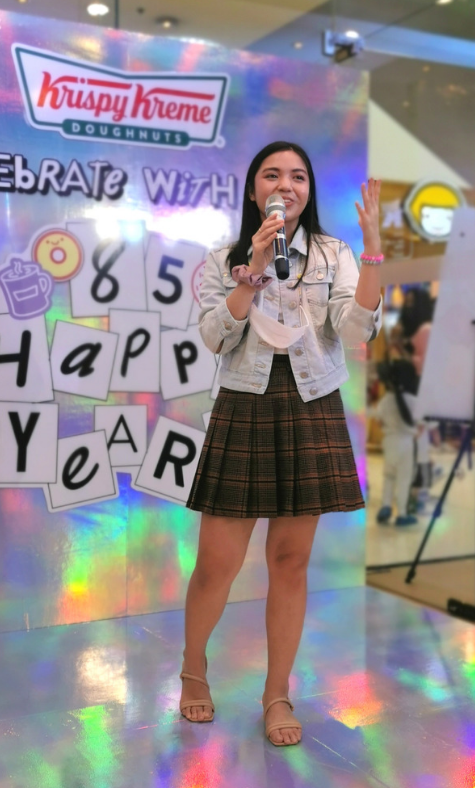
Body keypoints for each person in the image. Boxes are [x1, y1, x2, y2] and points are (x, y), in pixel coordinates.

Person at [180, 141, 382, 747]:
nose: (285, 185)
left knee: (290, 562)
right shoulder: (224, 258)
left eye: (297, 176)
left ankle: (277, 692)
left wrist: (373, 250)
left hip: (312, 405)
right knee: (217, 563)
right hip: (244, 404)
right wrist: (253, 269)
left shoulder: (334, 253)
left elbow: (355, 329)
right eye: (272, 175)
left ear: (308, 191)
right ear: (254, 191)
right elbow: (215, 337)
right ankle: (193, 668)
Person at [372, 358, 419, 526]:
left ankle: (385, 506)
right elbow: (420, 424)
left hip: (389, 442)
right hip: (406, 443)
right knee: (404, 480)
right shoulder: (413, 401)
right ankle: (402, 514)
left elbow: (379, 422)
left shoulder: (385, 400)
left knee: (389, 476)